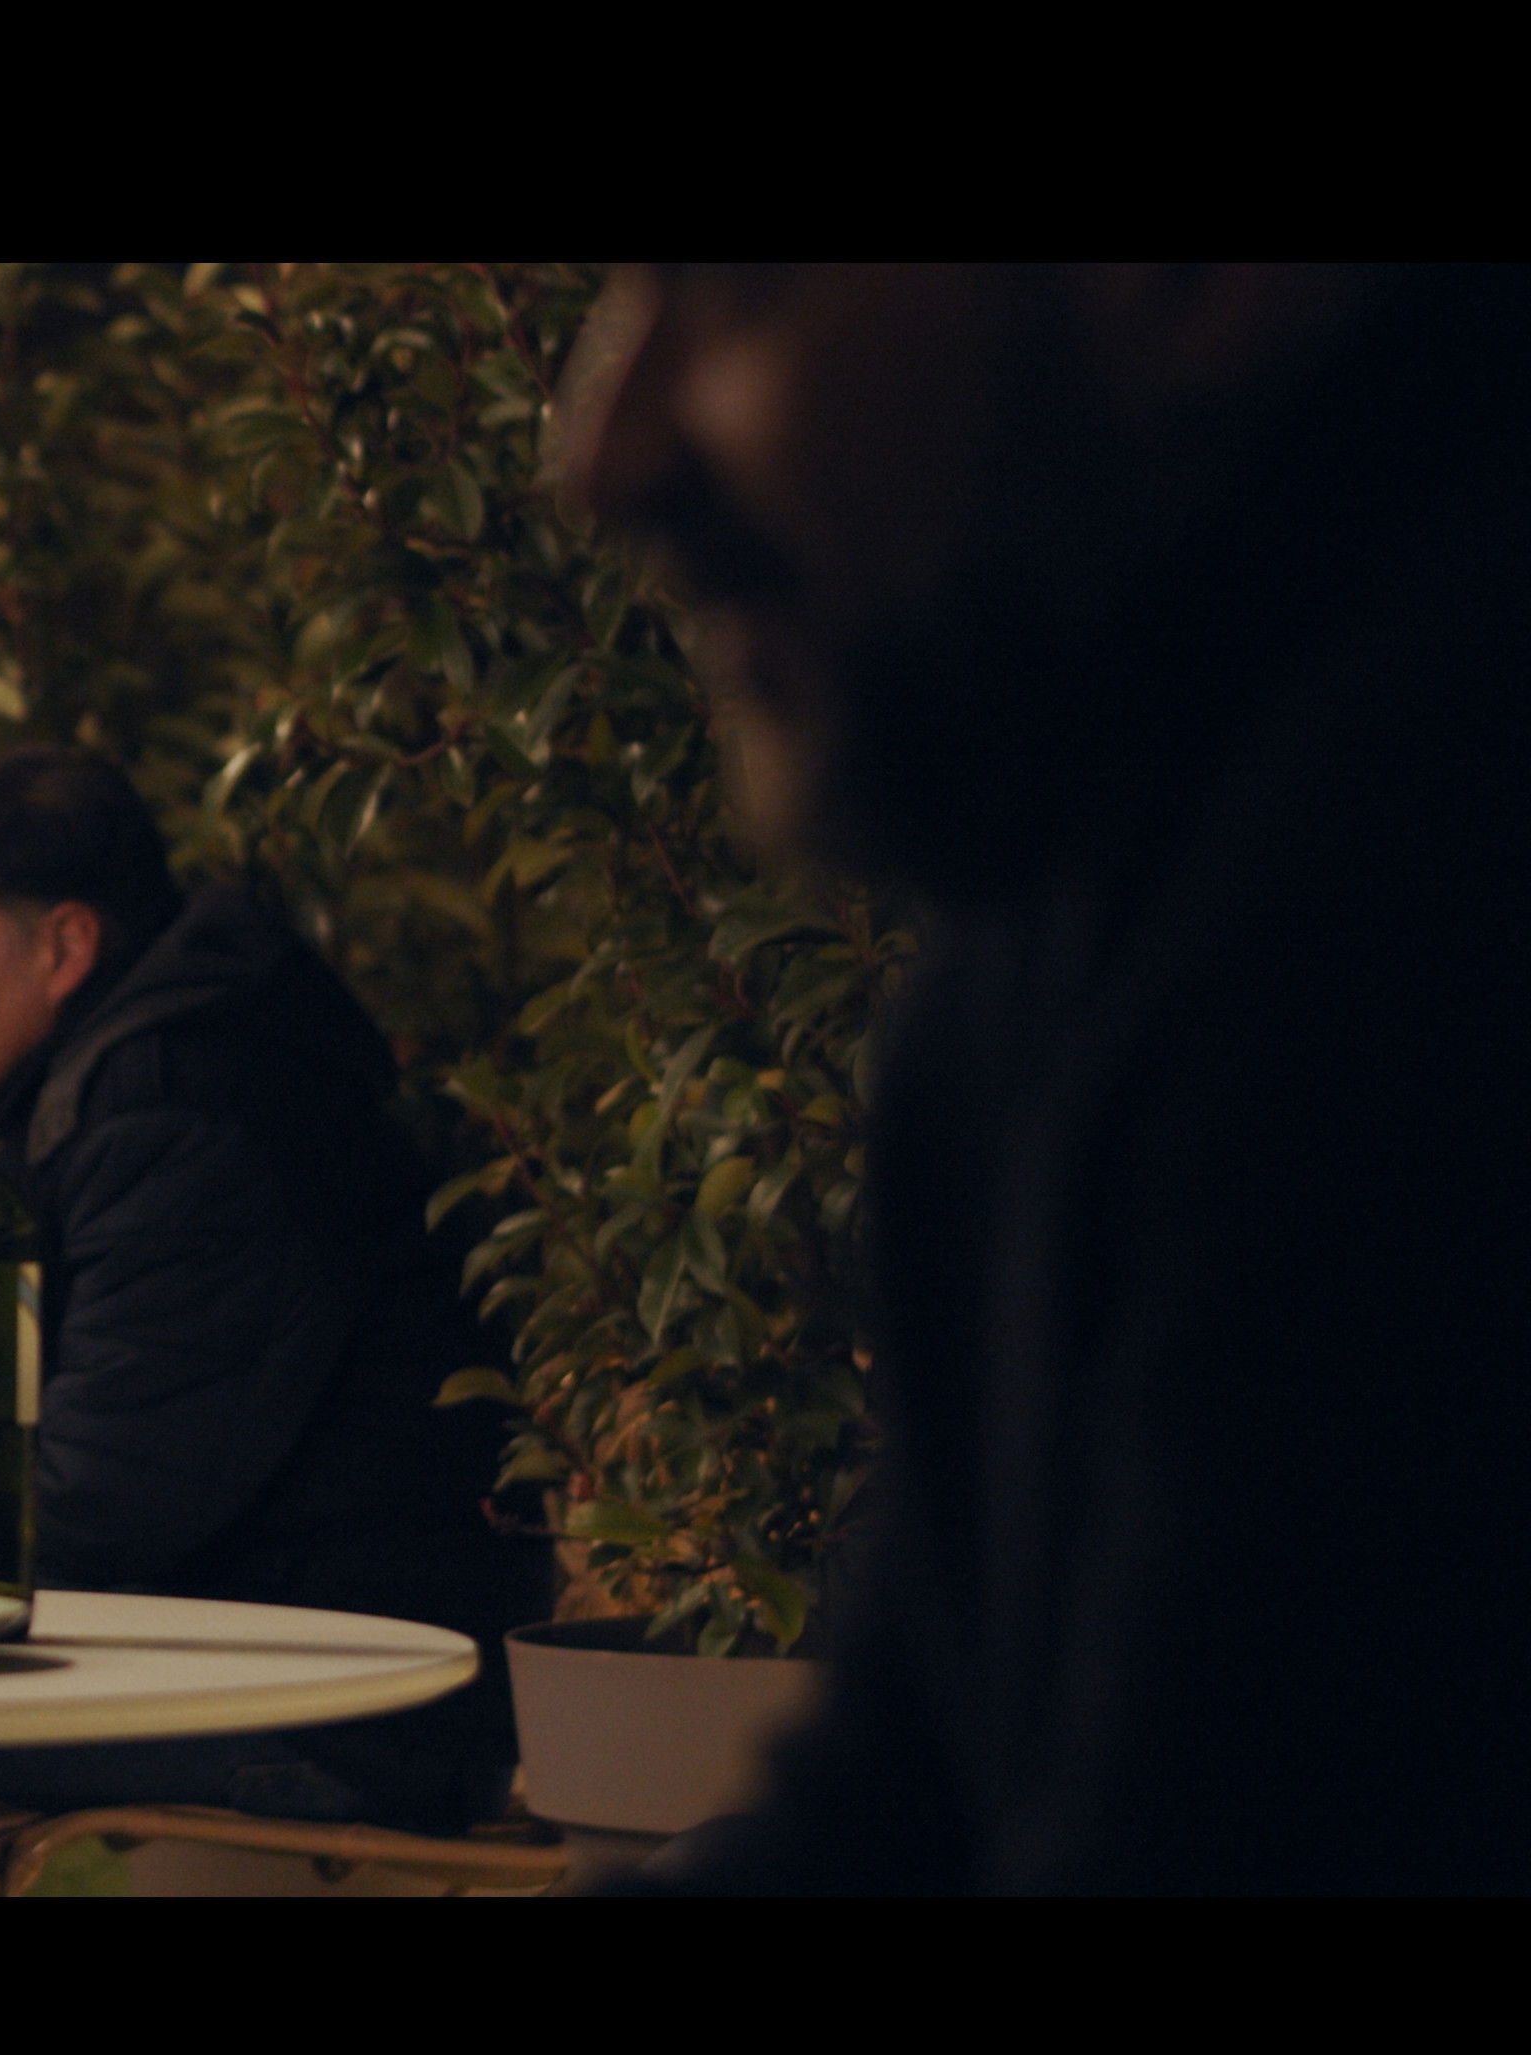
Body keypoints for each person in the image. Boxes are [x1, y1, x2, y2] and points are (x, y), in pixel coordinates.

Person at [565, 265, 1531, 1891]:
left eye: (740, 292)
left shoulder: (1409, 898)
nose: (604, 450)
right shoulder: (1061, 920)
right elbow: (901, 1812)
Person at [0, 746, 543, 1834]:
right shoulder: (130, 1083)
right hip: (280, 1661)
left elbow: (97, 1504)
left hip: (342, 1720)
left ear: (66, 945)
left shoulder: (183, 1114)